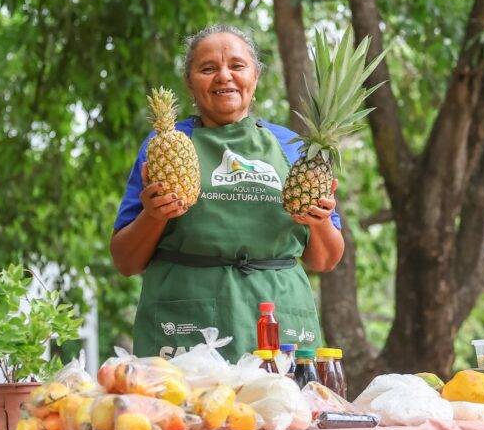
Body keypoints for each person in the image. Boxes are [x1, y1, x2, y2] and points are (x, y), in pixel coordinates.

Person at [110, 25, 344, 360]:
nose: (224, 77)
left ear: (256, 76)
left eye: (237, 66)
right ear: (190, 82)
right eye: (207, 69)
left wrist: (319, 222)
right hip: (187, 323)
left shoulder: (295, 148)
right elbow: (125, 260)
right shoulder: (164, 146)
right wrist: (154, 215)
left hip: (277, 317)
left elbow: (325, 259)